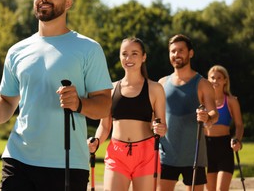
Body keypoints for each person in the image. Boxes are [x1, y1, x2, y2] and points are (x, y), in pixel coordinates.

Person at [0, 0, 112, 191]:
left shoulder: (88, 49)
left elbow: (104, 105)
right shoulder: (17, 51)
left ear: (68, 3)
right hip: (19, 159)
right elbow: (7, 102)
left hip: (67, 164)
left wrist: (80, 103)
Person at [88, 37, 167, 191]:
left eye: (134, 53)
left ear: (144, 57)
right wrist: (96, 142)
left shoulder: (155, 89)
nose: (128, 58)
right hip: (117, 155)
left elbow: (162, 126)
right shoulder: (110, 89)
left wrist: (161, 129)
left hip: (146, 155)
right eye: (124, 54)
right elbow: (104, 126)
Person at [157, 34, 219, 191]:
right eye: (173, 51)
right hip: (166, 155)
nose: (176, 54)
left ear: (190, 53)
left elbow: (214, 113)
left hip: (194, 157)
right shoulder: (162, 83)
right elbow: (155, 117)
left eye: (180, 50)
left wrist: (207, 118)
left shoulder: (203, 84)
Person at [204, 65, 244, 191]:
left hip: (224, 147)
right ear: (208, 80)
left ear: (225, 80)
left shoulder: (231, 101)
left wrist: (237, 139)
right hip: (206, 147)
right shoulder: (203, 100)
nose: (215, 81)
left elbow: (239, 125)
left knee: (221, 189)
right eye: (212, 78)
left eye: (219, 78)